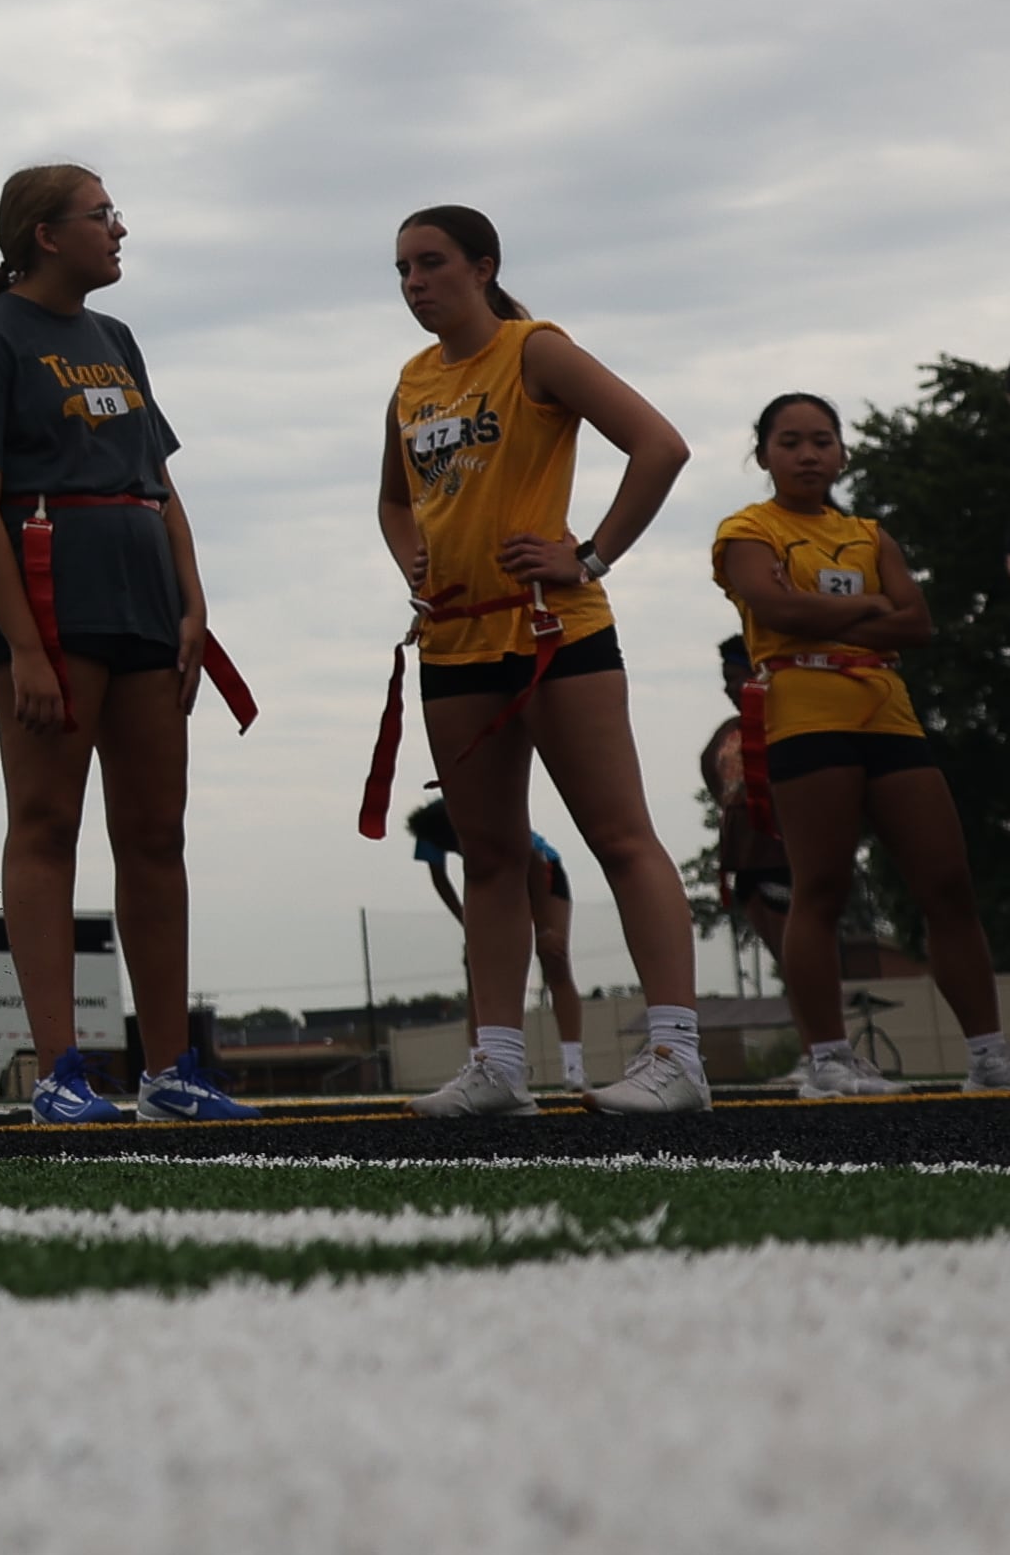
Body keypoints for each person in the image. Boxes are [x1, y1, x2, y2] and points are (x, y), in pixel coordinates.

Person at [0, 166, 255, 1124]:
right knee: (47, 827)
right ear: (43, 234)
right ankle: (60, 1070)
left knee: (155, 834)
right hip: (46, 610)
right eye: (101, 214)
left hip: (145, 607)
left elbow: (160, 485)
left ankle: (169, 1069)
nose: (119, 228)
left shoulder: (116, 341)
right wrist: (23, 646)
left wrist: (193, 607)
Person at [370, 205, 704, 1115]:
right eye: (400, 269)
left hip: (554, 629)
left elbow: (660, 444)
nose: (412, 284)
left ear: (482, 267)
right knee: (487, 855)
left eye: (430, 263)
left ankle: (676, 1055)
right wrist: (412, 557)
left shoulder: (533, 349)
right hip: (453, 641)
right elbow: (394, 501)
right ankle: (499, 1066)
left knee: (619, 835)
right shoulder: (409, 382)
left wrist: (588, 555)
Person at [709, 392, 1008, 1095]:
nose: (808, 453)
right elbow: (775, 608)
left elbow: (917, 625)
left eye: (821, 440)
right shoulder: (747, 529)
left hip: (887, 710)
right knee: (821, 887)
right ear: (762, 455)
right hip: (803, 710)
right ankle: (829, 1060)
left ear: (842, 452)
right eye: (789, 441)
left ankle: (988, 1054)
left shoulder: (871, 535)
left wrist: (833, 616)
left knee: (946, 883)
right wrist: (870, 606)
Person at [401, 792, 588, 1083]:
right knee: (477, 969)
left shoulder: (485, 821)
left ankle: (574, 1067)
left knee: (554, 960)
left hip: (541, 872)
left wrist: (545, 928)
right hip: (497, 880)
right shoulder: (430, 829)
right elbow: (440, 878)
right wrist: (469, 924)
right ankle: (480, 1064)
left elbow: (536, 865)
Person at [700, 633, 795, 974]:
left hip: (784, 856)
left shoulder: (786, 722)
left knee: (798, 955)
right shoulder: (729, 729)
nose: (728, 689)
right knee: (783, 958)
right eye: (725, 680)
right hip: (746, 859)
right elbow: (710, 769)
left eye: (734, 678)